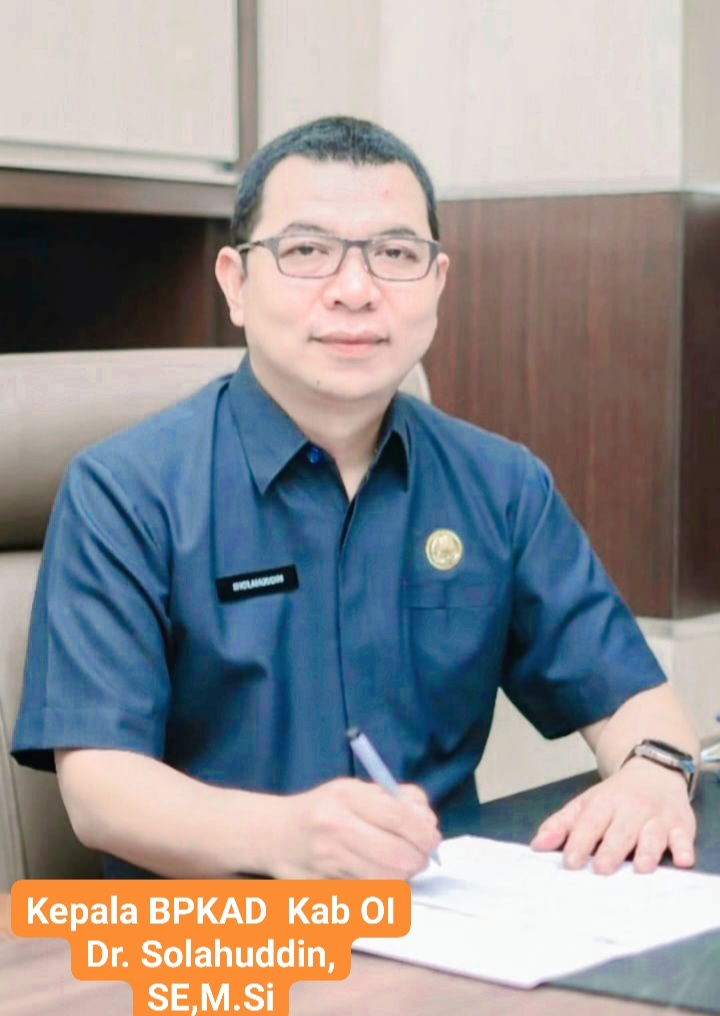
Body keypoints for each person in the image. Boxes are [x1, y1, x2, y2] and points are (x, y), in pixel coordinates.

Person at [12, 116, 699, 881]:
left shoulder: (501, 486)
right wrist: (283, 837)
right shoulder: (123, 493)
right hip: (213, 932)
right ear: (236, 283)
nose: (354, 291)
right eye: (307, 251)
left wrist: (653, 773)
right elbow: (100, 790)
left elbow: (633, 701)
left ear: (436, 284)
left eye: (395, 255)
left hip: (440, 925)